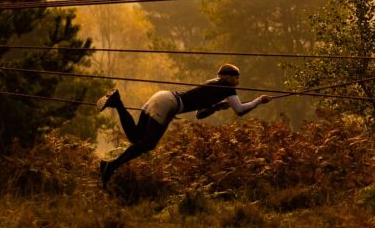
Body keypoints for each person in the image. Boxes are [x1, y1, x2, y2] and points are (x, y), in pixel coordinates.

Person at [95, 63, 271, 189]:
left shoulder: (214, 84)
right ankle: (111, 166)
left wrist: (218, 106)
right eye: (236, 76)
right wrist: (258, 101)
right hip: (169, 104)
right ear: (228, 77)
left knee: (135, 137)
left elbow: (199, 114)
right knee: (149, 143)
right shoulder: (227, 88)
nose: (238, 79)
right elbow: (240, 110)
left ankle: (117, 103)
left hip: (162, 97)